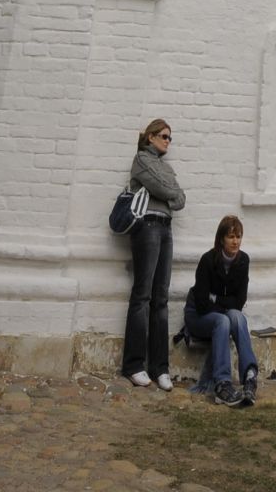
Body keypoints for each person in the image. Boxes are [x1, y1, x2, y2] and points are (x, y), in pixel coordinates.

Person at [123, 117, 186, 389]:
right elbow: (165, 189)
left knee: (161, 298)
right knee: (143, 295)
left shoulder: (165, 166)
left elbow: (180, 200)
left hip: (166, 229)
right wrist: (169, 189)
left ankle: (160, 368)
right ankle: (134, 365)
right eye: (163, 136)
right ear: (150, 137)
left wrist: (169, 189)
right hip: (146, 227)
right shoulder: (141, 160)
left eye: (170, 137)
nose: (167, 141)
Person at [183, 214, 259, 407]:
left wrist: (217, 299)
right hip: (198, 316)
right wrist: (225, 304)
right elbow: (201, 303)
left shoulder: (243, 261)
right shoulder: (208, 260)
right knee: (224, 320)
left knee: (237, 316)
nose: (236, 241)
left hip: (221, 313)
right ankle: (222, 384)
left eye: (239, 236)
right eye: (231, 237)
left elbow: (239, 302)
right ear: (221, 239)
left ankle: (250, 376)